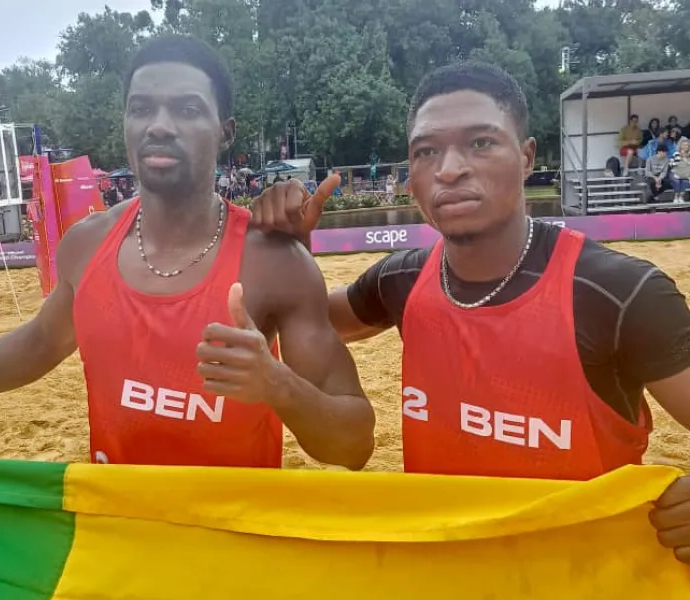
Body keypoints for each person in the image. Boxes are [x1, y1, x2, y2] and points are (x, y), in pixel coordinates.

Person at [252, 61, 690, 562]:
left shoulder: (618, 292)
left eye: (480, 143)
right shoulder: (401, 279)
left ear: (527, 158)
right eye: (426, 151)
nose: (449, 168)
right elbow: (304, 322)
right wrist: (291, 250)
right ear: (410, 176)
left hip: (581, 576)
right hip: (443, 572)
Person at [0, 35, 375, 472]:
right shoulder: (87, 242)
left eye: (186, 110)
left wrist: (277, 385)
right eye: (141, 108)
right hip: (115, 538)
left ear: (225, 131)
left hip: (231, 546)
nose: (159, 126)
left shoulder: (275, 262)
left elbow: (354, 447)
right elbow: (41, 341)